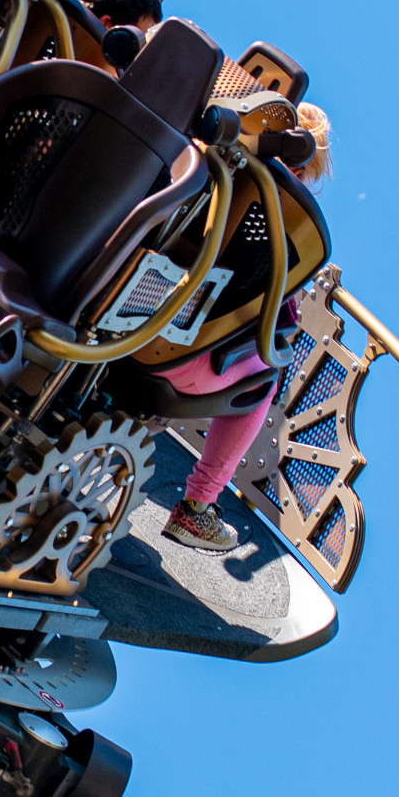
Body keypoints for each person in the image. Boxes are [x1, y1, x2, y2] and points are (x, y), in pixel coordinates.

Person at [159, 103, 333, 552]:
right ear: (298, 166)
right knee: (264, 374)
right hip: (166, 343)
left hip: (98, 286)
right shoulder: (277, 219)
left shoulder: (188, 144)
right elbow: (273, 321)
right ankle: (197, 507)